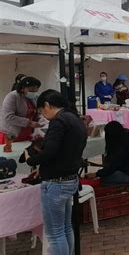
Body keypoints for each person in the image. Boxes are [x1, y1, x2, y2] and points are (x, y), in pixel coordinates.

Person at [24, 90, 87, 255]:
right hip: (70, 179)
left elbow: (49, 151)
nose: (43, 115)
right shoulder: (74, 118)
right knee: (65, 228)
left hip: (56, 183)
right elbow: (62, 151)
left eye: (41, 111)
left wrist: (30, 159)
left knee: (55, 234)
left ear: (47, 105)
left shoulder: (59, 121)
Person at [85, 121, 129, 185]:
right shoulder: (128, 134)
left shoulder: (120, 146)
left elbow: (113, 166)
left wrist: (97, 174)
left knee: (105, 179)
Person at [0, 77, 42, 152]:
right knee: (11, 154)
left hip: (27, 132)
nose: (34, 92)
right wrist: (29, 122)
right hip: (11, 133)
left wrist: (41, 120)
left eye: (36, 89)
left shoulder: (33, 98)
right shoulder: (12, 96)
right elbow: (8, 116)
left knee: (24, 153)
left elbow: (36, 112)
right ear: (23, 88)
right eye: (31, 89)